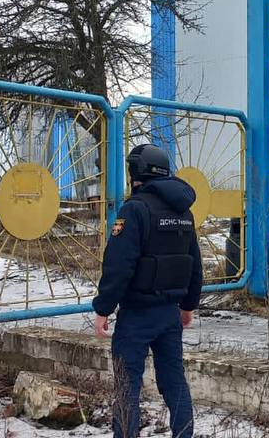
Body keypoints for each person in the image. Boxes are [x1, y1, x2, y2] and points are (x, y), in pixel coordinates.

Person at [92, 143, 203, 438]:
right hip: (169, 314)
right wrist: (188, 305)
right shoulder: (184, 212)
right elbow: (194, 263)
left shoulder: (135, 209)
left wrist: (103, 308)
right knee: (175, 382)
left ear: (136, 173)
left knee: (127, 385)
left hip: (137, 315)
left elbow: (118, 264)